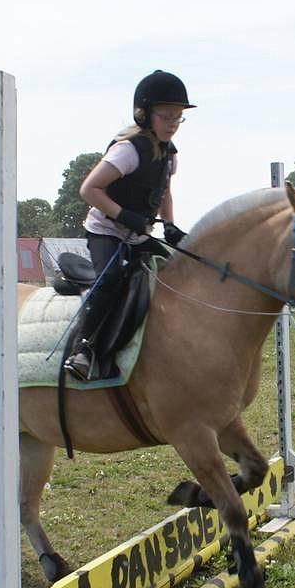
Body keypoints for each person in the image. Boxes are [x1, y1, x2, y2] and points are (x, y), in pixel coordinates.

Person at [64, 70, 195, 380]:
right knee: (110, 279)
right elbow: (89, 190)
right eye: (166, 116)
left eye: (178, 117)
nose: (173, 123)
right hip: (105, 231)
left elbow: (164, 191)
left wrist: (170, 225)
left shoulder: (169, 155)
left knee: (180, 271)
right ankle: (83, 349)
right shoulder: (128, 151)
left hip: (137, 236)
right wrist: (123, 215)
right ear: (145, 114)